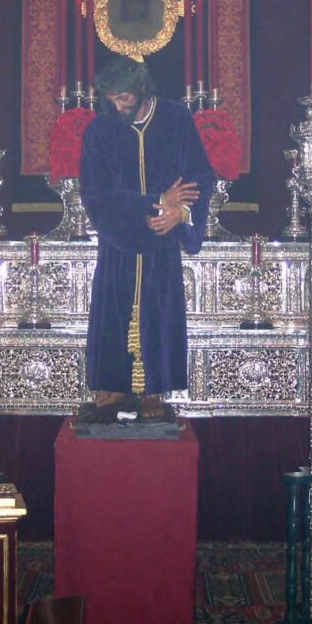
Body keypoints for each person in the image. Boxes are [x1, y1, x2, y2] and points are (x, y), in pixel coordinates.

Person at [80, 56, 214, 420]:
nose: (118, 107)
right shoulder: (99, 131)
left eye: (123, 98)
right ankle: (114, 383)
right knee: (113, 310)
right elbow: (97, 196)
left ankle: (154, 387)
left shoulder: (175, 119)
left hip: (163, 242)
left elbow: (200, 177)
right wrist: (157, 202)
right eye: (111, 100)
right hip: (118, 243)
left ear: (141, 88)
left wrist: (179, 213)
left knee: (160, 311)